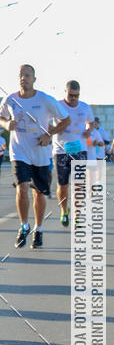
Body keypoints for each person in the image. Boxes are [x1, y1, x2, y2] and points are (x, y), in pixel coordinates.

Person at [0, 64, 70, 249]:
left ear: (34, 79)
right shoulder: (10, 99)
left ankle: (38, 229)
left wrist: (49, 134)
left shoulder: (45, 100)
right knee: (22, 188)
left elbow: (66, 120)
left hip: (40, 153)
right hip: (19, 152)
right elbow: (1, 117)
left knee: (39, 193)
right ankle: (24, 226)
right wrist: (7, 125)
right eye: (21, 75)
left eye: (28, 75)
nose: (24, 78)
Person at [52, 80, 94, 227]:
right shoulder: (57, 105)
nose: (74, 98)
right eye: (71, 95)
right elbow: (47, 123)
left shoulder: (85, 107)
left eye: (76, 95)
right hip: (61, 150)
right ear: (65, 92)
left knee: (79, 185)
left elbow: (91, 122)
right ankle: (64, 210)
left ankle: (78, 215)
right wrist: (57, 128)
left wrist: (89, 129)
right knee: (63, 185)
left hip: (80, 150)